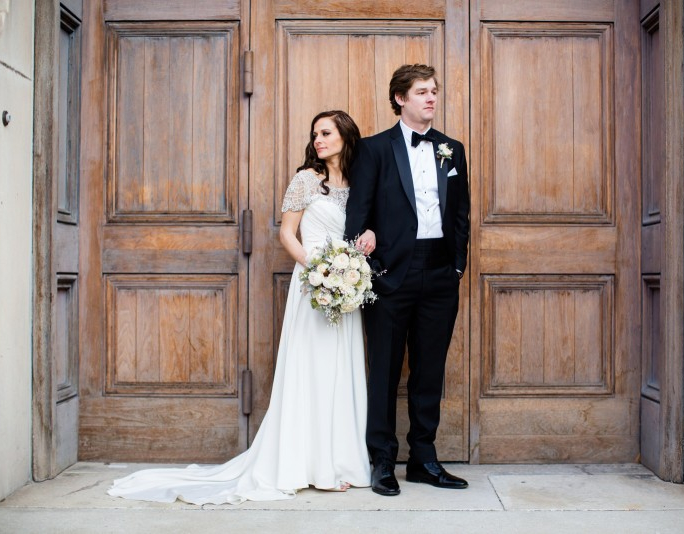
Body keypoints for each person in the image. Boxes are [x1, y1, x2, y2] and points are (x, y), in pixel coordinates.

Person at [108, 110, 375, 504]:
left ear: (345, 136)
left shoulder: (357, 183)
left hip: (346, 286)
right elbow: (287, 233)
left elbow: (362, 227)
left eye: (326, 133)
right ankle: (307, 464)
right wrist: (318, 272)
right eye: (315, 134)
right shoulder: (306, 180)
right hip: (314, 283)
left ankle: (339, 462)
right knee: (312, 369)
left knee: (341, 371)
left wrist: (351, 264)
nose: (318, 140)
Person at [345, 64, 470, 497]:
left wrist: (456, 265)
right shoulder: (373, 149)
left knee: (429, 370)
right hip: (390, 275)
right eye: (421, 92)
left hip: (439, 273)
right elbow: (356, 216)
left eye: (434, 91)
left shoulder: (451, 149)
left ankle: (423, 459)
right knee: (383, 371)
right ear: (401, 98)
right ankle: (382, 461)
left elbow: (460, 213)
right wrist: (372, 268)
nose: (431, 98)